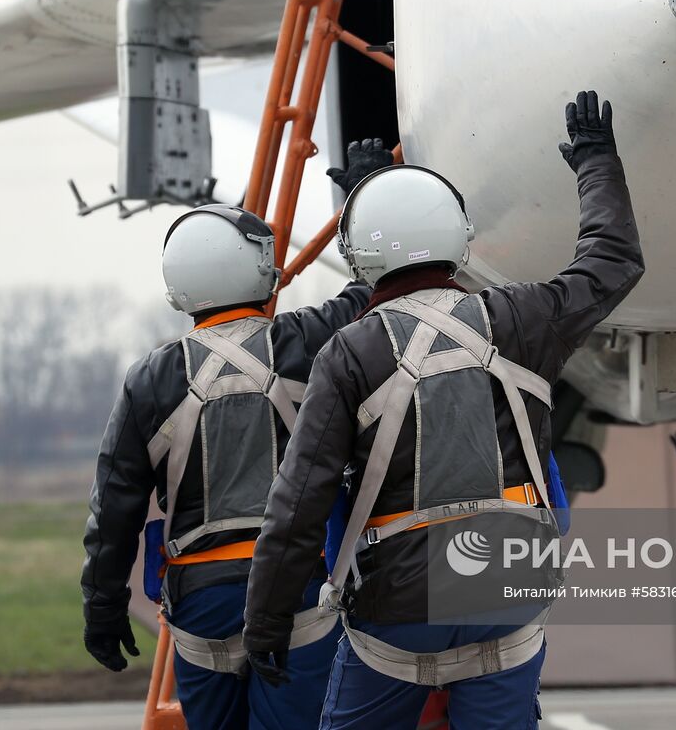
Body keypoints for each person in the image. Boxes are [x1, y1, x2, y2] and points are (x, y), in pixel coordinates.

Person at [242, 91, 644, 728]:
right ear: (459, 236)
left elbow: (298, 505)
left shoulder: (349, 354)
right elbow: (613, 259)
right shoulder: (522, 321)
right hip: (507, 592)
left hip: (398, 608)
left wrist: (265, 623)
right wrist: (597, 160)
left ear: (361, 254)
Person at [80, 140, 394, 730]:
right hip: (295, 588)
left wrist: (102, 607)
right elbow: (374, 292)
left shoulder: (149, 380)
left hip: (199, 603)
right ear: (258, 266)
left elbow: (114, 507)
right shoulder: (303, 342)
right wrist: (364, 195)